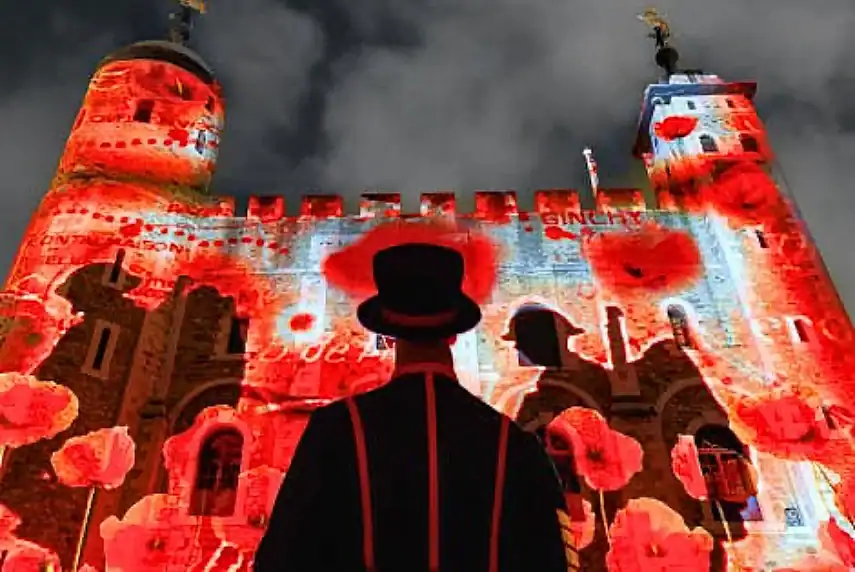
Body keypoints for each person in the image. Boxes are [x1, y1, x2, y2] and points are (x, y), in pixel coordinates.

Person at [255, 243, 576, 571]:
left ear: (389, 333)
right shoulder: (518, 446)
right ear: (453, 336)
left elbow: (282, 558)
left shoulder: (334, 432)